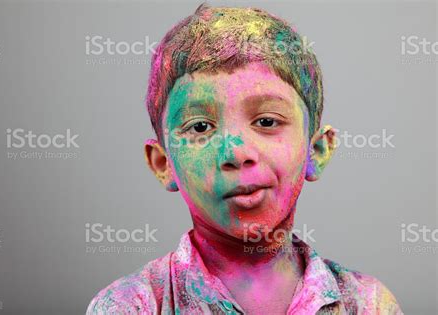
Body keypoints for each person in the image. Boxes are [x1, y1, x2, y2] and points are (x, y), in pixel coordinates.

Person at [87, 4, 403, 314]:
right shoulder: (130, 306)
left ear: (316, 151)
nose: (236, 153)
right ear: (163, 163)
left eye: (267, 122)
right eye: (200, 126)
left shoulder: (368, 304)